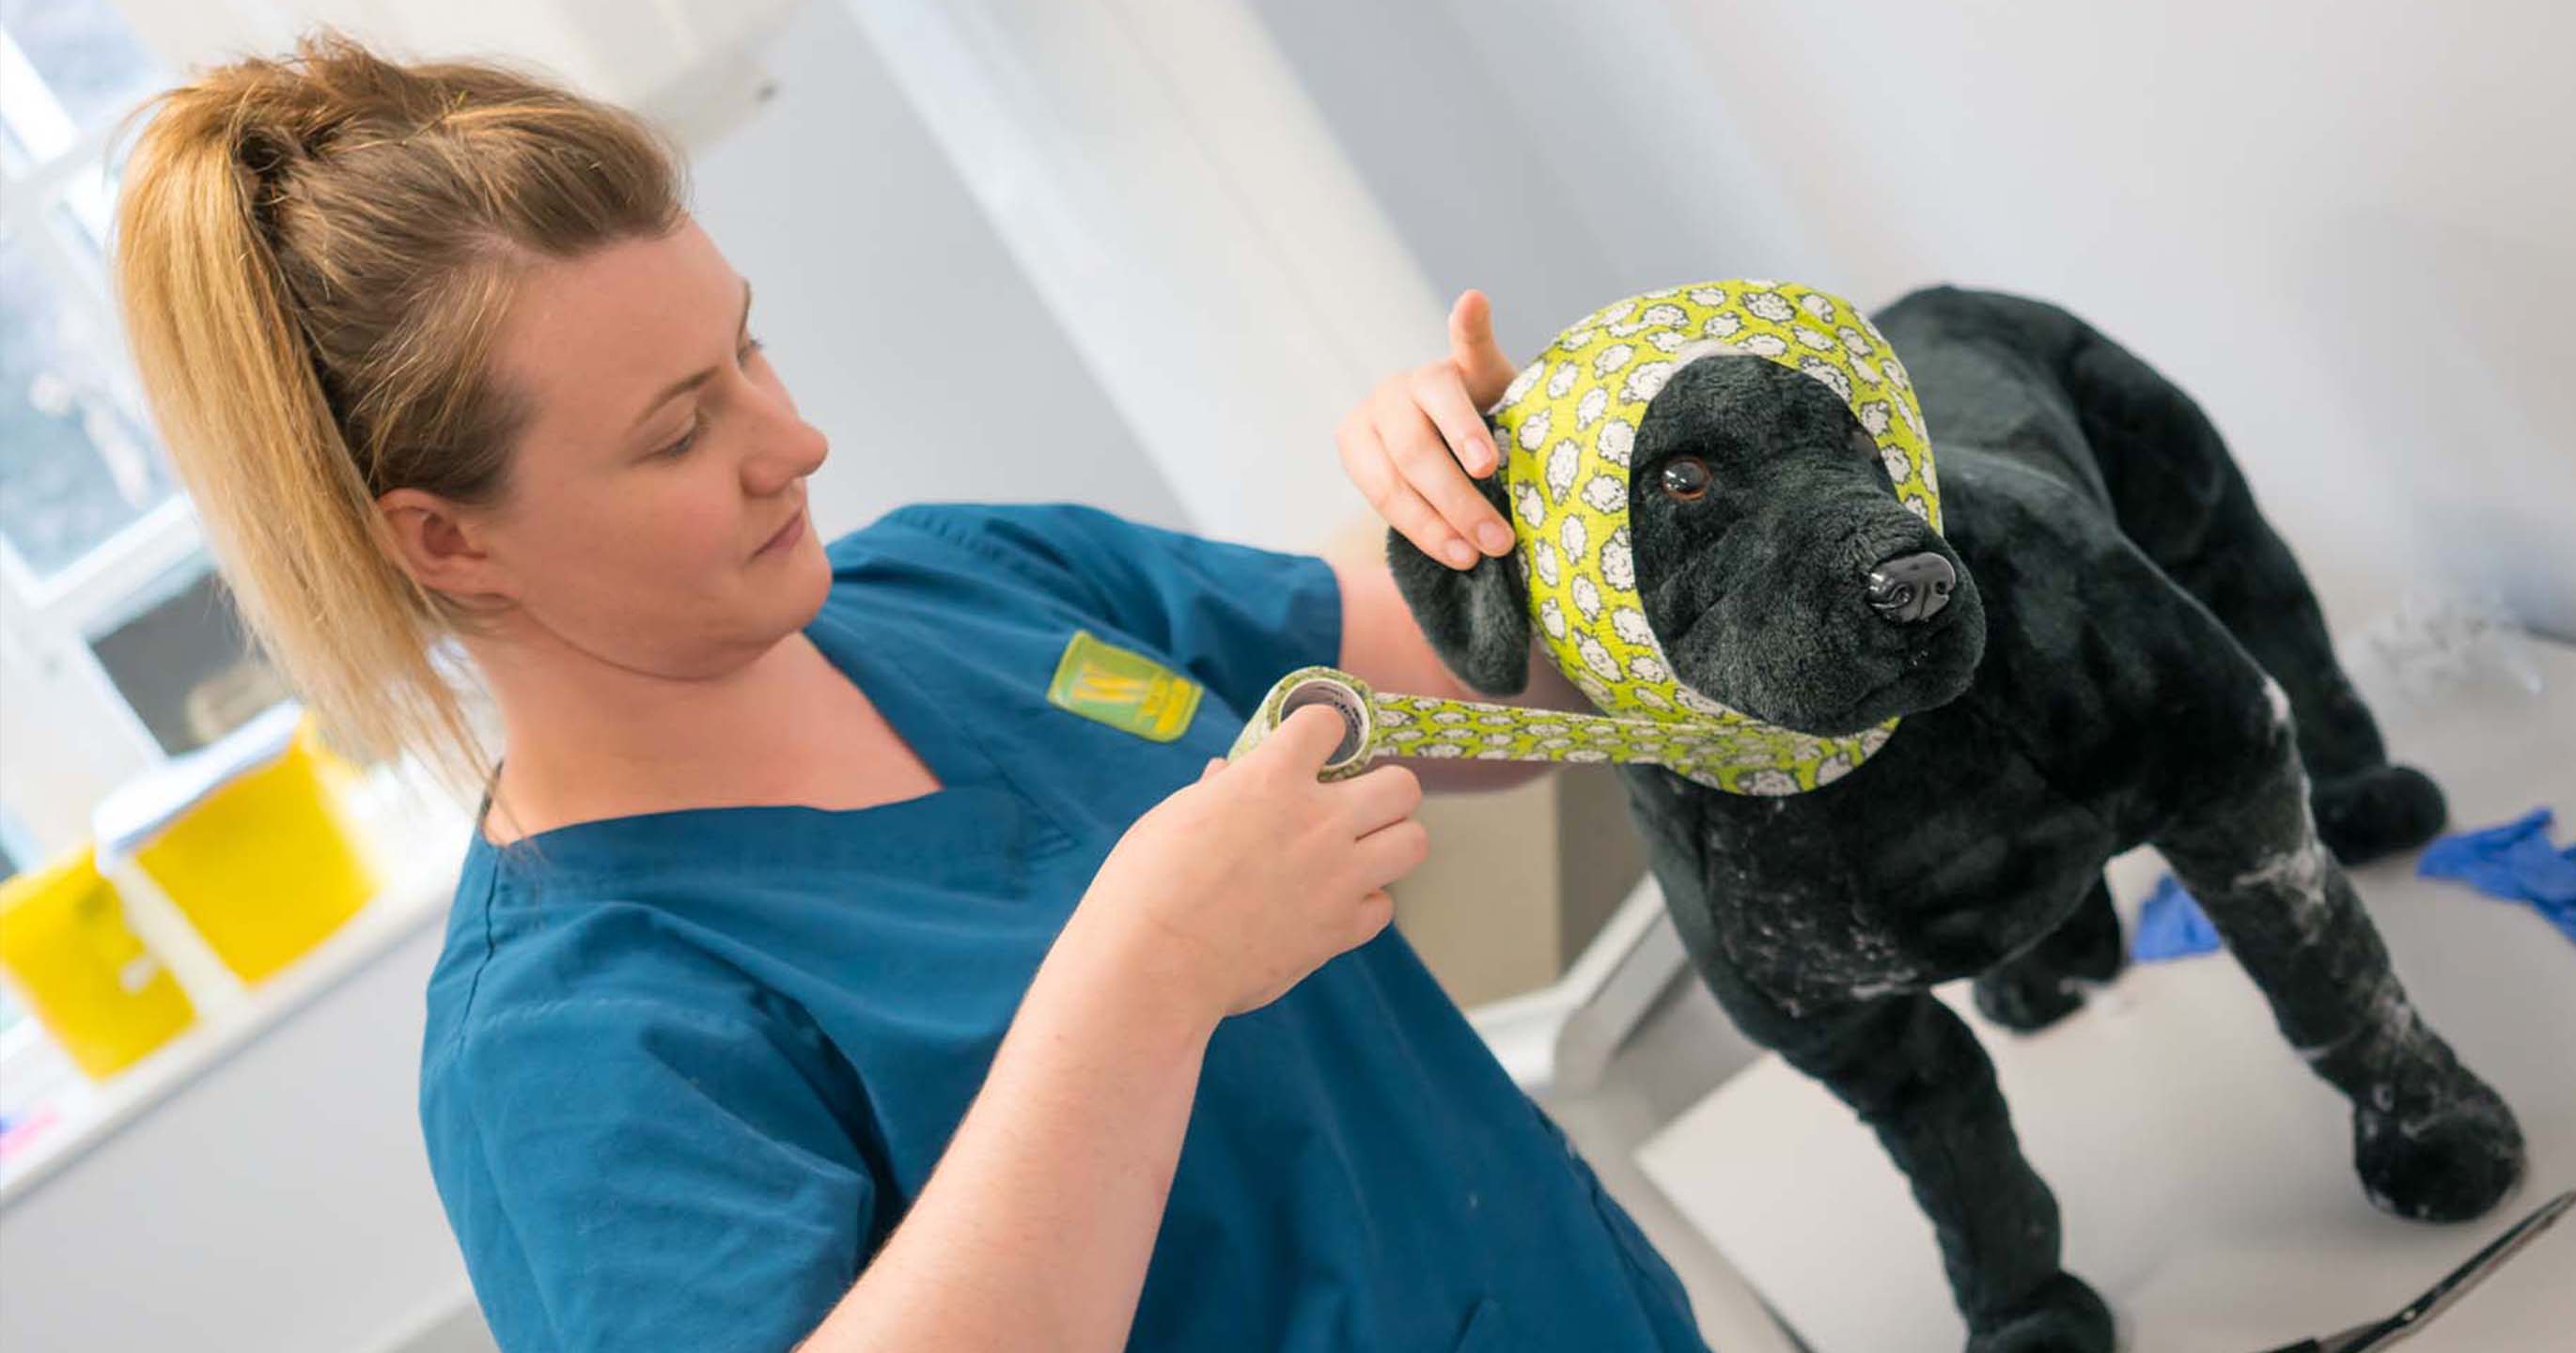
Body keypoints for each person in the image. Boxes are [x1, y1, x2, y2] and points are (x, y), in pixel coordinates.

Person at [109, 33, 1710, 1353]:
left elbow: (1511, 697)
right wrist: (1143, 980)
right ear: (447, 541)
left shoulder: (970, 582)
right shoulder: (572, 1038)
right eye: (678, 431)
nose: (790, 442)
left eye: (751, 352)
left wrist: (1527, 497)